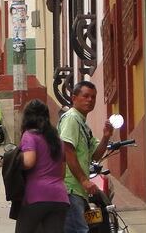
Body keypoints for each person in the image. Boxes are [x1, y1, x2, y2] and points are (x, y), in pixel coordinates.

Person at [59, 81, 114, 233]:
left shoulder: (82, 123)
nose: (90, 100)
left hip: (79, 191)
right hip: (70, 188)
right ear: (74, 98)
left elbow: (95, 154)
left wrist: (106, 137)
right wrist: (84, 180)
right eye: (86, 96)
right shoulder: (71, 118)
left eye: (93, 97)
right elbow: (67, 149)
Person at [15, 99, 69, 232]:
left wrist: (12, 160)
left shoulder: (30, 136)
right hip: (60, 197)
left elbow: (29, 161)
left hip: (36, 196)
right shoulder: (57, 140)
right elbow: (62, 173)